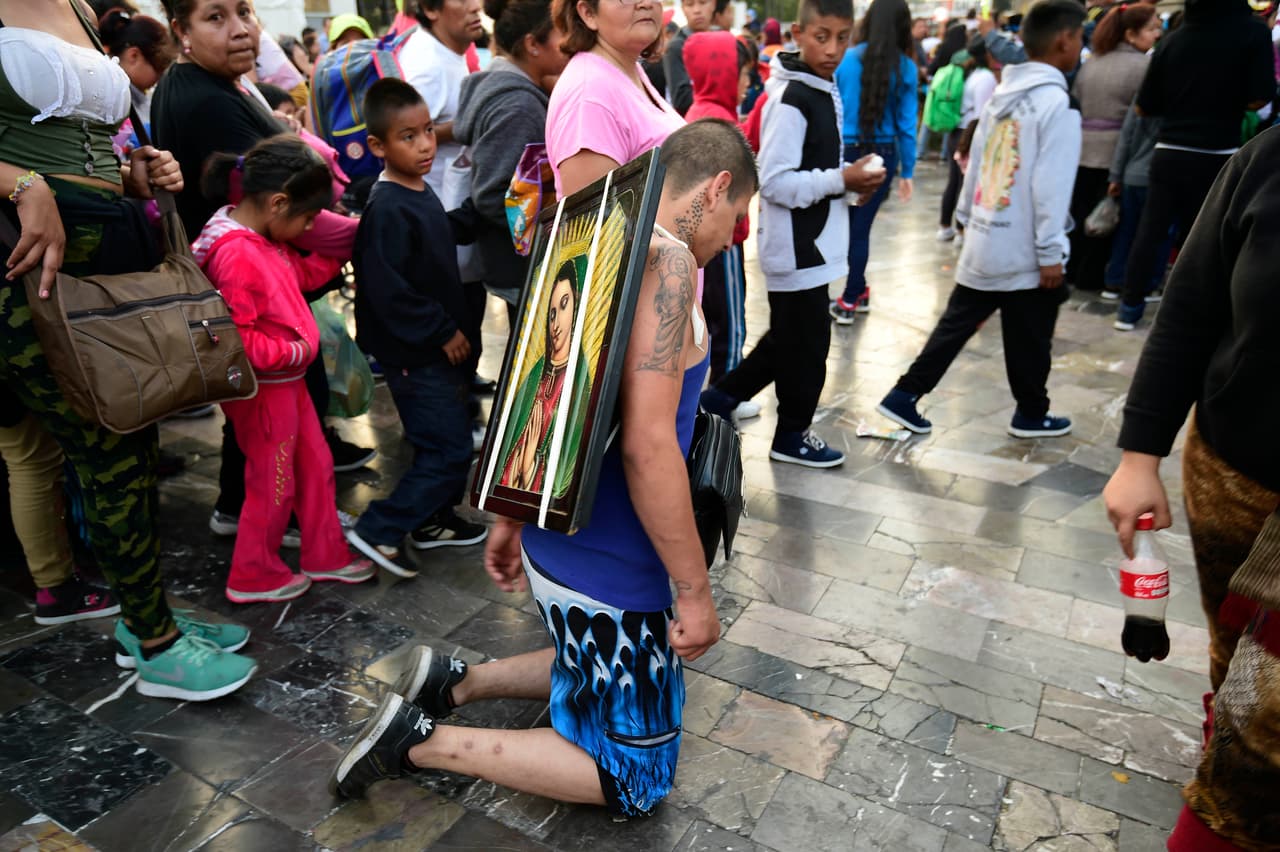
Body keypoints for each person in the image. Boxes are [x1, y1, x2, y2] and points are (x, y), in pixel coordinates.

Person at [330, 118, 755, 818]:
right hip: (615, 558)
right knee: (634, 777)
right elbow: (648, 448)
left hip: (559, 538)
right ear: (717, 189)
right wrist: (694, 590)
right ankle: (418, 742)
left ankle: (457, 681)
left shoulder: (603, 241)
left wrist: (507, 516)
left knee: (597, 664)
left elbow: (548, 392)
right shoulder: (671, 266)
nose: (732, 237)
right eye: (736, 218)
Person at [0, 0, 256, 700]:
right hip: (27, 254)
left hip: (108, 240)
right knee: (104, 449)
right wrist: (20, 184)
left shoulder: (79, 5)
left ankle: (145, 619)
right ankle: (155, 641)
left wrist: (135, 171)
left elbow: (92, 131)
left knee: (133, 437)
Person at [1101, 126, 1280, 852]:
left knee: (1264, 723)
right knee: (1235, 657)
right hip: (1233, 470)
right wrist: (1139, 453)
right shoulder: (1265, 158)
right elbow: (1191, 307)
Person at [152, 0, 376, 544]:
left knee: (268, 408)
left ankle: (248, 504)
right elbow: (285, 195)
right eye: (215, 18)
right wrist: (367, 233)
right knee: (277, 410)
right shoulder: (204, 100)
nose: (240, 30)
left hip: (259, 270)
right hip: (249, 280)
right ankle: (279, 516)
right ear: (180, 30)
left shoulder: (221, 84)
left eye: (245, 12)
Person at [876, 0, 1084, 440]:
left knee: (959, 325)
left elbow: (974, 165)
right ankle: (1031, 412)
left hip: (988, 236)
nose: (1080, 45)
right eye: (1080, 36)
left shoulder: (1001, 95)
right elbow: (1051, 186)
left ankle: (905, 394)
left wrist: (968, 219)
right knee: (1030, 335)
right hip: (1026, 246)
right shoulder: (1056, 105)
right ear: (1064, 40)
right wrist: (1051, 251)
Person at [699, 0, 882, 468]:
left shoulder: (821, 86)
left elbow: (812, 169)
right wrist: (842, 181)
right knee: (806, 349)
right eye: (822, 36)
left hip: (813, 243)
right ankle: (791, 435)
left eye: (843, 37)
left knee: (789, 341)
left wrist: (846, 186)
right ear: (799, 32)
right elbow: (775, 181)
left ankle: (717, 402)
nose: (833, 49)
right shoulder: (792, 98)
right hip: (796, 248)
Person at [193, 136, 376, 603]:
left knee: (316, 464)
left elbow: (294, 278)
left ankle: (325, 553)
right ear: (278, 203)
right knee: (274, 482)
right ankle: (252, 573)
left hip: (286, 385)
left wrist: (341, 251)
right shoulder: (235, 253)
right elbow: (233, 339)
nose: (312, 226)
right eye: (309, 217)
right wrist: (294, 351)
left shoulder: (262, 240)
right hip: (264, 390)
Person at [343, 80, 487, 578]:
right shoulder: (386, 207)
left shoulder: (417, 191)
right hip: (415, 355)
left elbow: (437, 232)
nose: (426, 144)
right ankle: (379, 528)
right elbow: (389, 291)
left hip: (436, 353)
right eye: (409, 136)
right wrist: (442, 330)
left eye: (428, 130)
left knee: (441, 441)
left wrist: (481, 215)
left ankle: (432, 521)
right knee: (449, 449)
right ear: (379, 146)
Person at [1113, 0, 1274, 331]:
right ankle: (1187, 319)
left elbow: (1145, 107)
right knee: (1200, 240)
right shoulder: (1253, 32)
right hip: (1217, 152)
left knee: (1151, 230)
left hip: (1169, 150)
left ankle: (1129, 308)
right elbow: (1260, 97)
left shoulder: (1174, 38)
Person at [454, 0, 568, 324]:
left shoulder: (516, 91)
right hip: (522, 267)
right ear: (533, 44)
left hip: (516, 263)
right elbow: (492, 194)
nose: (571, 41)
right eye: (562, 33)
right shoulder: (517, 107)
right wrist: (547, 231)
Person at [829, 0, 917, 322]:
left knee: (850, 228)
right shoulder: (906, 67)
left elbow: (834, 108)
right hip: (884, 155)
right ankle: (858, 290)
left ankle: (850, 298)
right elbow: (907, 126)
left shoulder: (847, 59)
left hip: (846, 151)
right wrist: (907, 170)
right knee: (861, 228)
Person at [683, 30, 758, 405]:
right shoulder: (719, 123)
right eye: (742, 73)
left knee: (712, 319)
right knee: (731, 321)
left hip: (705, 241)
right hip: (724, 242)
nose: (748, 83)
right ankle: (725, 399)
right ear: (724, 73)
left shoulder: (700, 112)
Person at [545, 0, 684, 198]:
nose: (645, 3)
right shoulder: (589, 96)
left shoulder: (627, 69)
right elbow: (595, 222)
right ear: (588, 13)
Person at [1066, 2, 1159, 291]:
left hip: (1082, 148)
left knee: (1080, 214)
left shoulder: (1091, 63)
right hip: (1116, 151)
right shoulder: (1144, 66)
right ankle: (1093, 276)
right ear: (1131, 34)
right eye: (1152, 29)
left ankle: (1073, 270)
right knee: (1106, 219)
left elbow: (1076, 100)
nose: (1157, 35)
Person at [496, 257, 594, 494]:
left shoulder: (582, 383)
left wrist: (532, 462)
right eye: (551, 313)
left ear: (578, 307)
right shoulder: (533, 377)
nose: (556, 323)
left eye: (564, 305)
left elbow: (564, 479)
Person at [398, 0, 485, 197]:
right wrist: (471, 123)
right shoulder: (426, 65)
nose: (475, 7)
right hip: (435, 202)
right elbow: (403, 137)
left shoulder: (446, 49)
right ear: (430, 10)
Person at [937, 38, 995, 242]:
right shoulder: (986, 78)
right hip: (969, 133)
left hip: (956, 131)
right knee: (966, 181)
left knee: (954, 180)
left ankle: (945, 226)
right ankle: (961, 230)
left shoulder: (967, 74)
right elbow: (981, 113)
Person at [97, 6, 174, 129]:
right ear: (134, 55)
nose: (160, 77)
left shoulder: (138, 97)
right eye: (159, 67)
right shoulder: (109, 99)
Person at [663, 0, 721, 115]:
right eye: (690, 5)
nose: (697, 10)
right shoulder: (677, 47)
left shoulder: (721, 40)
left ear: (713, 4)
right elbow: (681, 100)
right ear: (683, 8)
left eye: (703, 3)